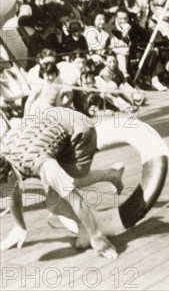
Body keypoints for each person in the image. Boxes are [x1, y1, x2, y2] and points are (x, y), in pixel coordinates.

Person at [0, 107, 123, 257]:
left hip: (78, 128)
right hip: (49, 118)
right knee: (54, 189)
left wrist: (96, 236)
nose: (2, 197)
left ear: (11, 174)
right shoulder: (4, 159)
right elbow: (13, 191)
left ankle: (112, 174)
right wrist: (19, 226)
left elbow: (76, 200)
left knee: (60, 193)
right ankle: (82, 226)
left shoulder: (43, 165)